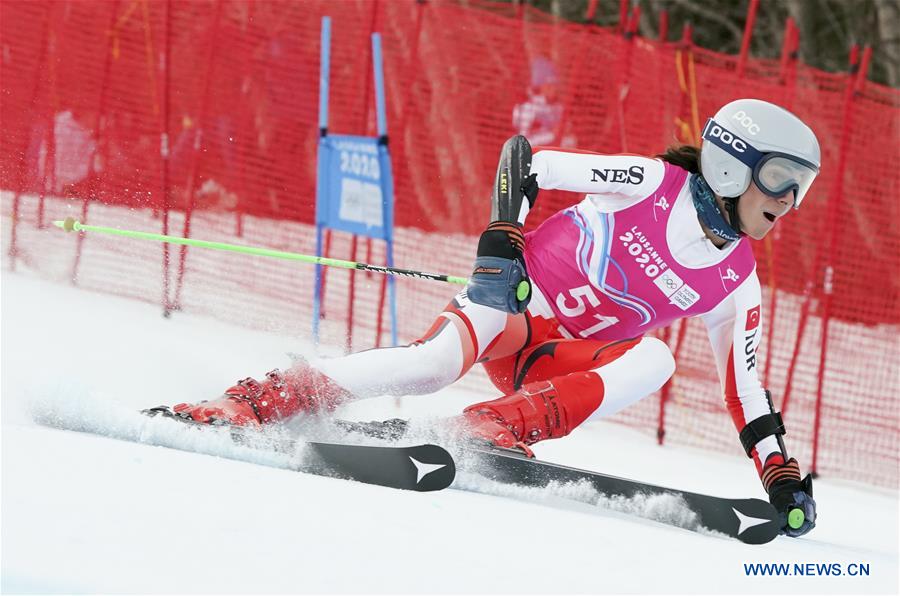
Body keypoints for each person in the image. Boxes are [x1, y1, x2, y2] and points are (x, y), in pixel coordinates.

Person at [171, 99, 820, 538]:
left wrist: (780, 474)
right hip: (510, 305)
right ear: (733, 164)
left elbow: (747, 390)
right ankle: (256, 401)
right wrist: (502, 240)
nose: (790, 202)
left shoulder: (738, 283)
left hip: (551, 364)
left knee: (657, 358)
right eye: (782, 178)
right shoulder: (650, 182)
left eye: (802, 187)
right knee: (429, 364)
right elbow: (526, 160)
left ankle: (488, 430)